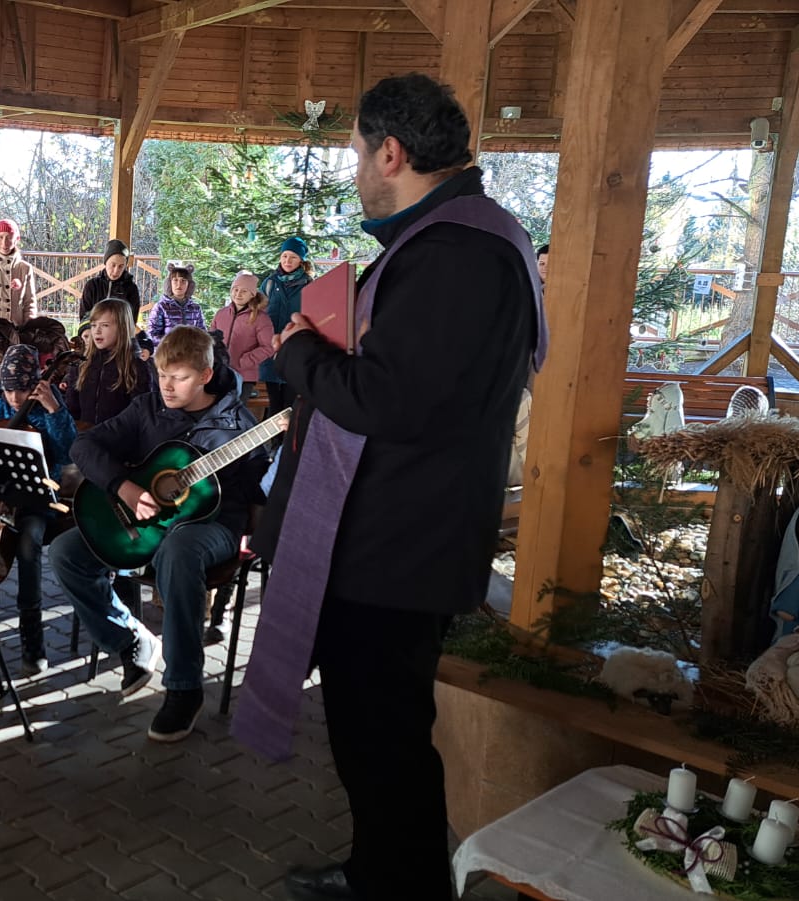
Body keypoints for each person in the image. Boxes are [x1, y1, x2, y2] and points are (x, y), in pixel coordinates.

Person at [236, 74, 545, 901]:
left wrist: (301, 353)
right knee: (373, 738)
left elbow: (390, 399)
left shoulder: (456, 254)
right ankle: (378, 870)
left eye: (358, 155)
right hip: (399, 538)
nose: (356, 173)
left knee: (386, 744)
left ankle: (404, 885)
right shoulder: (461, 241)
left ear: (392, 153)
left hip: (396, 550)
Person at [48, 326, 266, 743]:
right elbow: (84, 446)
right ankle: (130, 640)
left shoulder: (239, 424)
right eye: (162, 375)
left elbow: (263, 489)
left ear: (205, 375)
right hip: (144, 521)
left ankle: (184, 687)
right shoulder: (147, 408)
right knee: (65, 552)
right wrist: (125, 487)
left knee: (178, 551)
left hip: (212, 526)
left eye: (179, 377)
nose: (166, 385)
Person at [0, 345, 76, 676]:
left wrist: (54, 409)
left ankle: (32, 640)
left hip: (37, 501)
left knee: (28, 545)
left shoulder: (49, 410)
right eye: (8, 390)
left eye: (21, 389)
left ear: (35, 383)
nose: (15, 398)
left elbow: (69, 449)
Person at [66, 297, 155, 429]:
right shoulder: (81, 364)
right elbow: (72, 408)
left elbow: (140, 413)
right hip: (84, 435)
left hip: (119, 436)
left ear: (122, 328)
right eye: (94, 325)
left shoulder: (136, 366)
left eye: (105, 325)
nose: (97, 331)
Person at [260, 236, 311, 416]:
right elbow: (257, 314)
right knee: (273, 405)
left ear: (301, 260)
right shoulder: (269, 283)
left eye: (293, 257)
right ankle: (275, 436)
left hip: (295, 352)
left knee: (290, 405)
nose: (287, 261)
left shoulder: (309, 286)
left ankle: (288, 434)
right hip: (270, 352)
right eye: (284, 256)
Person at [212, 270, 275, 400]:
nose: (238, 294)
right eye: (235, 289)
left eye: (244, 291)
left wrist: (246, 360)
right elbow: (210, 339)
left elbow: (269, 346)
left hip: (244, 376)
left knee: (237, 409)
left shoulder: (261, 318)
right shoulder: (221, 314)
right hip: (220, 373)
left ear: (252, 294)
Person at [78, 238, 141, 325]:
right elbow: (84, 317)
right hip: (94, 331)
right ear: (106, 262)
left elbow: (131, 321)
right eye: (113, 265)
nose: (116, 271)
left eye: (121, 266)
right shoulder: (92, 286)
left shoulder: (131, 289)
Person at [146, 260, 206, 347]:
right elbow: (152, 335)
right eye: (175, 280)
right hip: (168, 352)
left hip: (191, 353)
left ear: (189, 285)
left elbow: (203, 334)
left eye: (183, 281)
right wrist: (172, 342)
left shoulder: (196, 308)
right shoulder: (161, 307)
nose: (179, 284)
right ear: (169, 283)